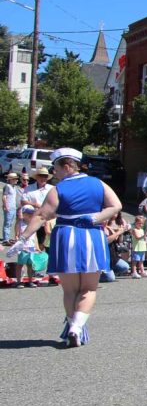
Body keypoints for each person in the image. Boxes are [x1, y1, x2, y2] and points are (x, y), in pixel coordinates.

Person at [7, 148, 121, 347]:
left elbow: (42, 215)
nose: (54, 173)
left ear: (67, 167)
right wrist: (95, 217)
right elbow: (116, 205)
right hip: (91, 236)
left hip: (66, 236)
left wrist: (23, 238)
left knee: (70, 290)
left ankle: (72, 327)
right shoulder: (98, 183)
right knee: (88, 289)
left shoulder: (58, 189)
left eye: (56, 168)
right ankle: (77, 327)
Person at [3, 171, 19, 242]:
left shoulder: (14, 187)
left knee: (11, 223)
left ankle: (7, 237)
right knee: (7, 223)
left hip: (13, 207)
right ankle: (5, 239)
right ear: (10, 179)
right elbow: (4, 196)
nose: (16, 180)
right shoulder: (7, 186)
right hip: (9, 206)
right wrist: (6, 206)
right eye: (15, 179)